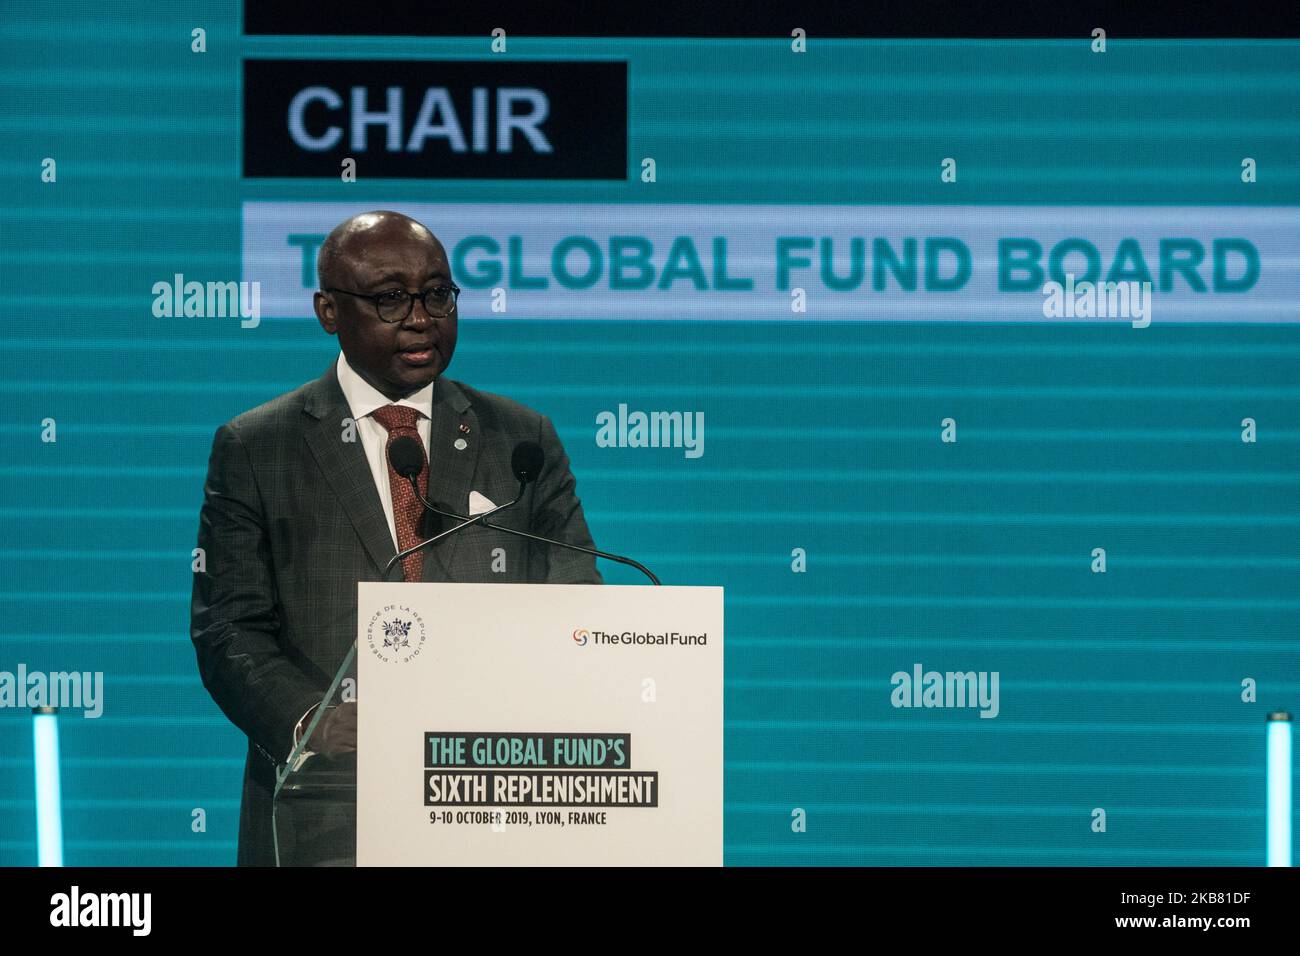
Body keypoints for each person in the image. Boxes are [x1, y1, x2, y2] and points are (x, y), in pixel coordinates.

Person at [190, 210, 602, 866]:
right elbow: (229, 631)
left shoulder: (521, 439)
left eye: (438, 294)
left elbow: (577, 601)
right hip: (326, 816)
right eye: (390, 298)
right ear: (328, 310)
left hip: (492, 806)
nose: (421, 317)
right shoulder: (258, 447)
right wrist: (310, 723)